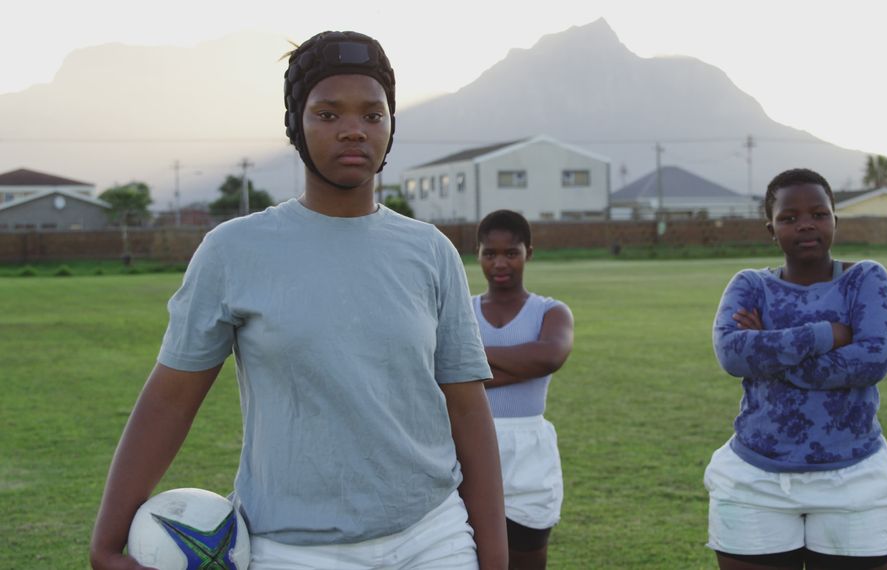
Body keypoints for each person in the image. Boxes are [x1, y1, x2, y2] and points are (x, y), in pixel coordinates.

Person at [89, 31, 507, 570]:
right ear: (295, 124)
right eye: (328, 114)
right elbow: (170, 400)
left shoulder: (431, 251)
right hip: (290, 549)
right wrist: (106, 540)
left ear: (391, 126)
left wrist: (494, 558)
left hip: (431, 535)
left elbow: (469, 409)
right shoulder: (234, 250)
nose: (354, 130)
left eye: (373, 115)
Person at [705, 168, 887, 570]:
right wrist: (828, 334)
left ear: (836, 219)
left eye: (819, 214)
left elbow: (873, 359)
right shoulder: (750, 285)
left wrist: (771, 350)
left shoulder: (864, 279)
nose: (805, 225)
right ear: (771, 228)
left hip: (854, 478)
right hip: (755, 478)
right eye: (789, 218)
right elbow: (732, 354)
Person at [472, 210, 574, 570]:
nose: (500, 263)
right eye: (490, 253)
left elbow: (549, 356)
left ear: (529, 252)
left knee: (528, 556)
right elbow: (439, 373)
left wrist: (472, 362)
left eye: (511, 252)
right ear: (478, 254)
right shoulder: (462, 312)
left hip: (530, 453)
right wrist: (523, 364)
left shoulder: (552, 311)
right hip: (469, 445)